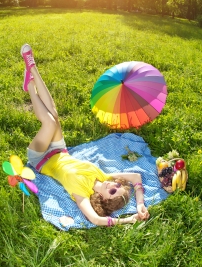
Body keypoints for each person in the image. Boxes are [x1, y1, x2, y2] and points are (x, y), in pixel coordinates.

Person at [21, 44, 150, 226]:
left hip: (40, 157)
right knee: (55, 115)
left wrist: (129, 219)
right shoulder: (103, 176)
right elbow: (136, 177)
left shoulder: (81, 193)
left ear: (104, 200)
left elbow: (96, 219)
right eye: (118, 186)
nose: (114, 186)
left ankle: (31, 87)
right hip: (60, 150)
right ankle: (31, 67)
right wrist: (140, 205)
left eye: (113, 192)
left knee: (49, 122)